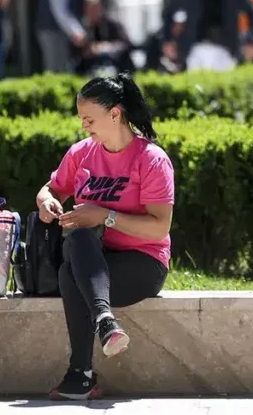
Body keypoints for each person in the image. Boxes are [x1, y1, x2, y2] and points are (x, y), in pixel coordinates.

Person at [35, 73, 174, 400]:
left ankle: (80, 374)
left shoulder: (151, 159)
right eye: (81, 119)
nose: (84, 126)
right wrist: (46, 202)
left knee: (71, 272)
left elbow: (159, 228)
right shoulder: (81, 153)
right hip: (94, 257)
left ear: (115, 114)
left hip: (143, 264)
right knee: (79, 241)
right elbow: (51, 189)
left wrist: (105, 216)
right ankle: (106, 322)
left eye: (89, 119)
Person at [78, 0, 134, 77]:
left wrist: (104, 47)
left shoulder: (113, 25)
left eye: (96, 8)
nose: (93, 12)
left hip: (115, 68)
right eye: (90, 9)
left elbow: (125, 44)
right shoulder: (81, 29)